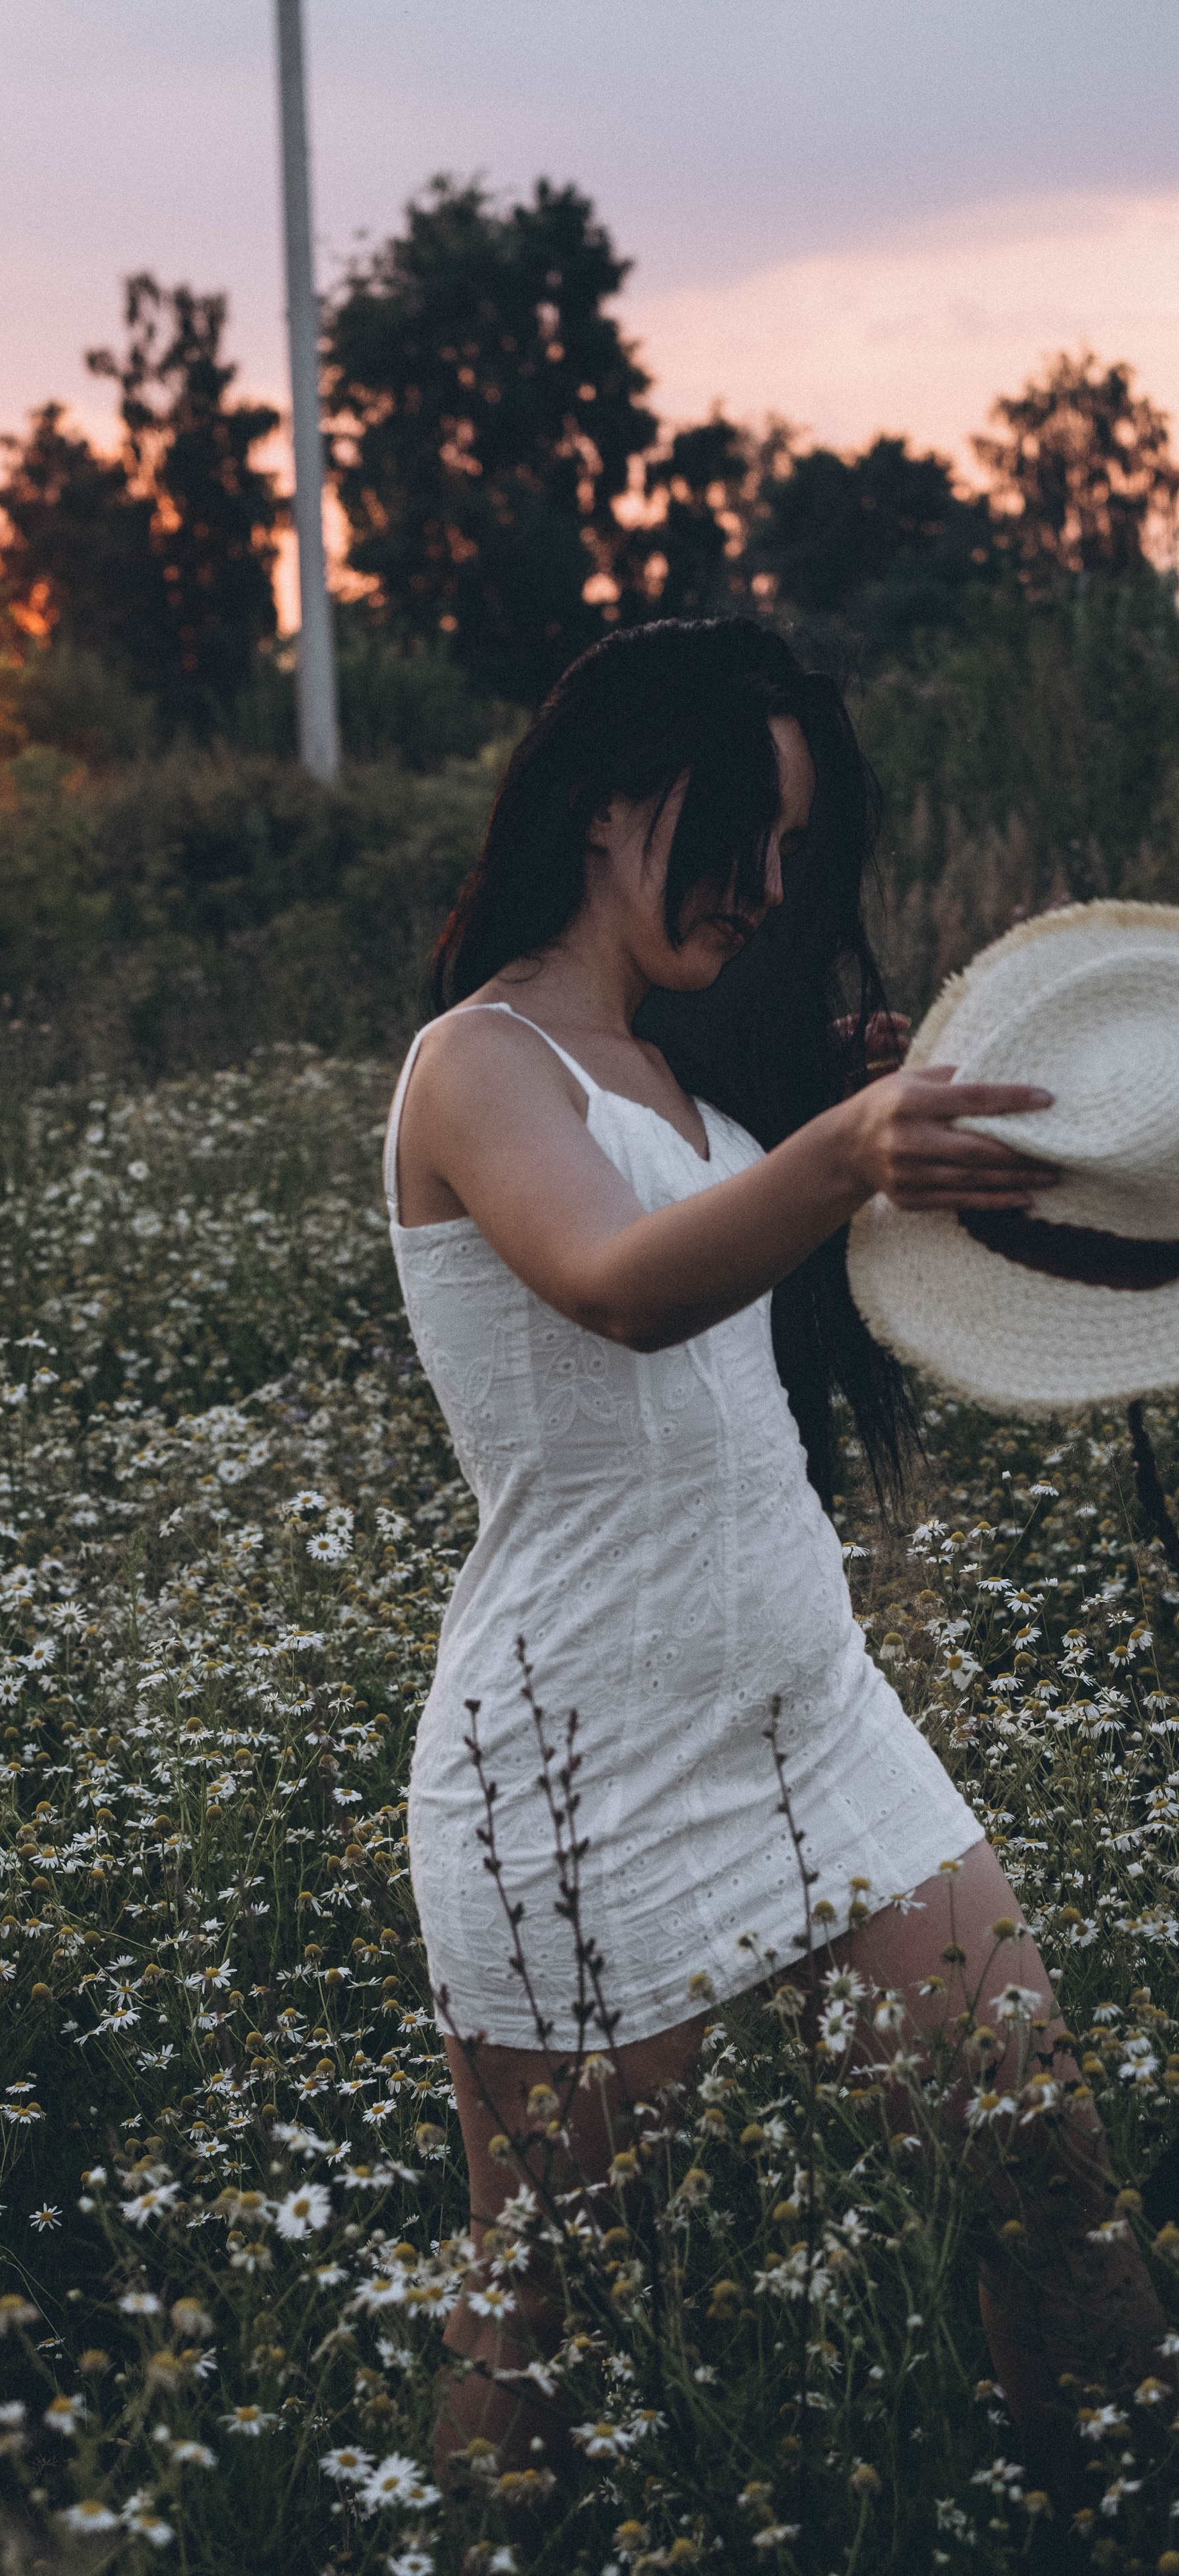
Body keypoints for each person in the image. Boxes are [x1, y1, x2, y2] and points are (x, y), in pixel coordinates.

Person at [380, 618, 1166, 2496]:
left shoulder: (700, 1083)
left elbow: (754, 1306)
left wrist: (883, 1135)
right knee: (546, 2315)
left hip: (816, 1721)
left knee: (1050, 2188)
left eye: (801, 847)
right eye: (745, 828)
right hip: (581, 1774)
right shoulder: (478, 1064)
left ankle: (1116, 2524)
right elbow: (618, 1286)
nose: (772, 884)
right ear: (606, 803)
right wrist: (840, 1153)